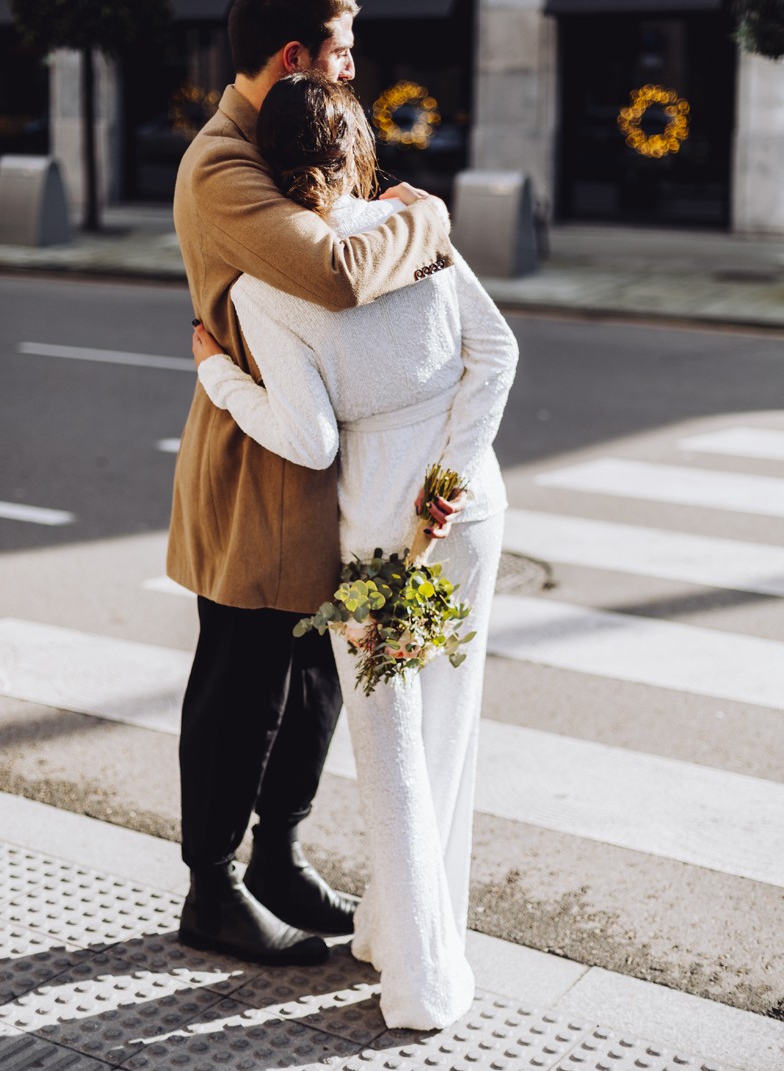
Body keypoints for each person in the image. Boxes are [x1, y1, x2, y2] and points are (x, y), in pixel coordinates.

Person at [191, 72, 518, 1029]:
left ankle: (418, 978)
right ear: (358, 150)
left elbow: (313, 441)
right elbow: (494, 353)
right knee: (450, 731)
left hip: (376, 525)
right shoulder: (414, 223)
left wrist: (218, 376)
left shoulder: (265, 288)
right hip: (470, 510)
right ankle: (399, 929)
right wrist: (448, 483)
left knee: (391, 756)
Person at [167, 0, 455, 968]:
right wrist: (424, 216)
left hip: (318, 466)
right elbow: (335, 273)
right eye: (340, 49)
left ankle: (278, 858)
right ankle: (213, 885)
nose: (351, 67)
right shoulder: (223, 166)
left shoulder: (273, 142)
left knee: (314, 684)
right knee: (241, 685)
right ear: (294, 57)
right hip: (257, 466)